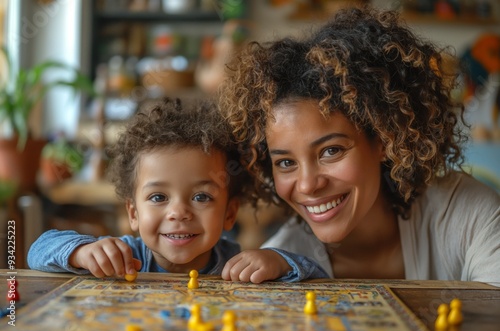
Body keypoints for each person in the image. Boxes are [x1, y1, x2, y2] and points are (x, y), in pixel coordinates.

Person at [218, 6, 500, 283]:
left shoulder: (467, 216)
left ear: (383, 139)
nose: (306, 185)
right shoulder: (279, 266)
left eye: (331, 151)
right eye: (286, 162)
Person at [28, 98, 328, 283]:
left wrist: (278, 261)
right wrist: (82, 252)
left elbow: (319, 276)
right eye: (158, 197)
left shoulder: (237, 264)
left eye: (201, 197)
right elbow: (37, 252)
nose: (179, 213)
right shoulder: (121, 258)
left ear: (229, 213)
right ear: (133, 212)